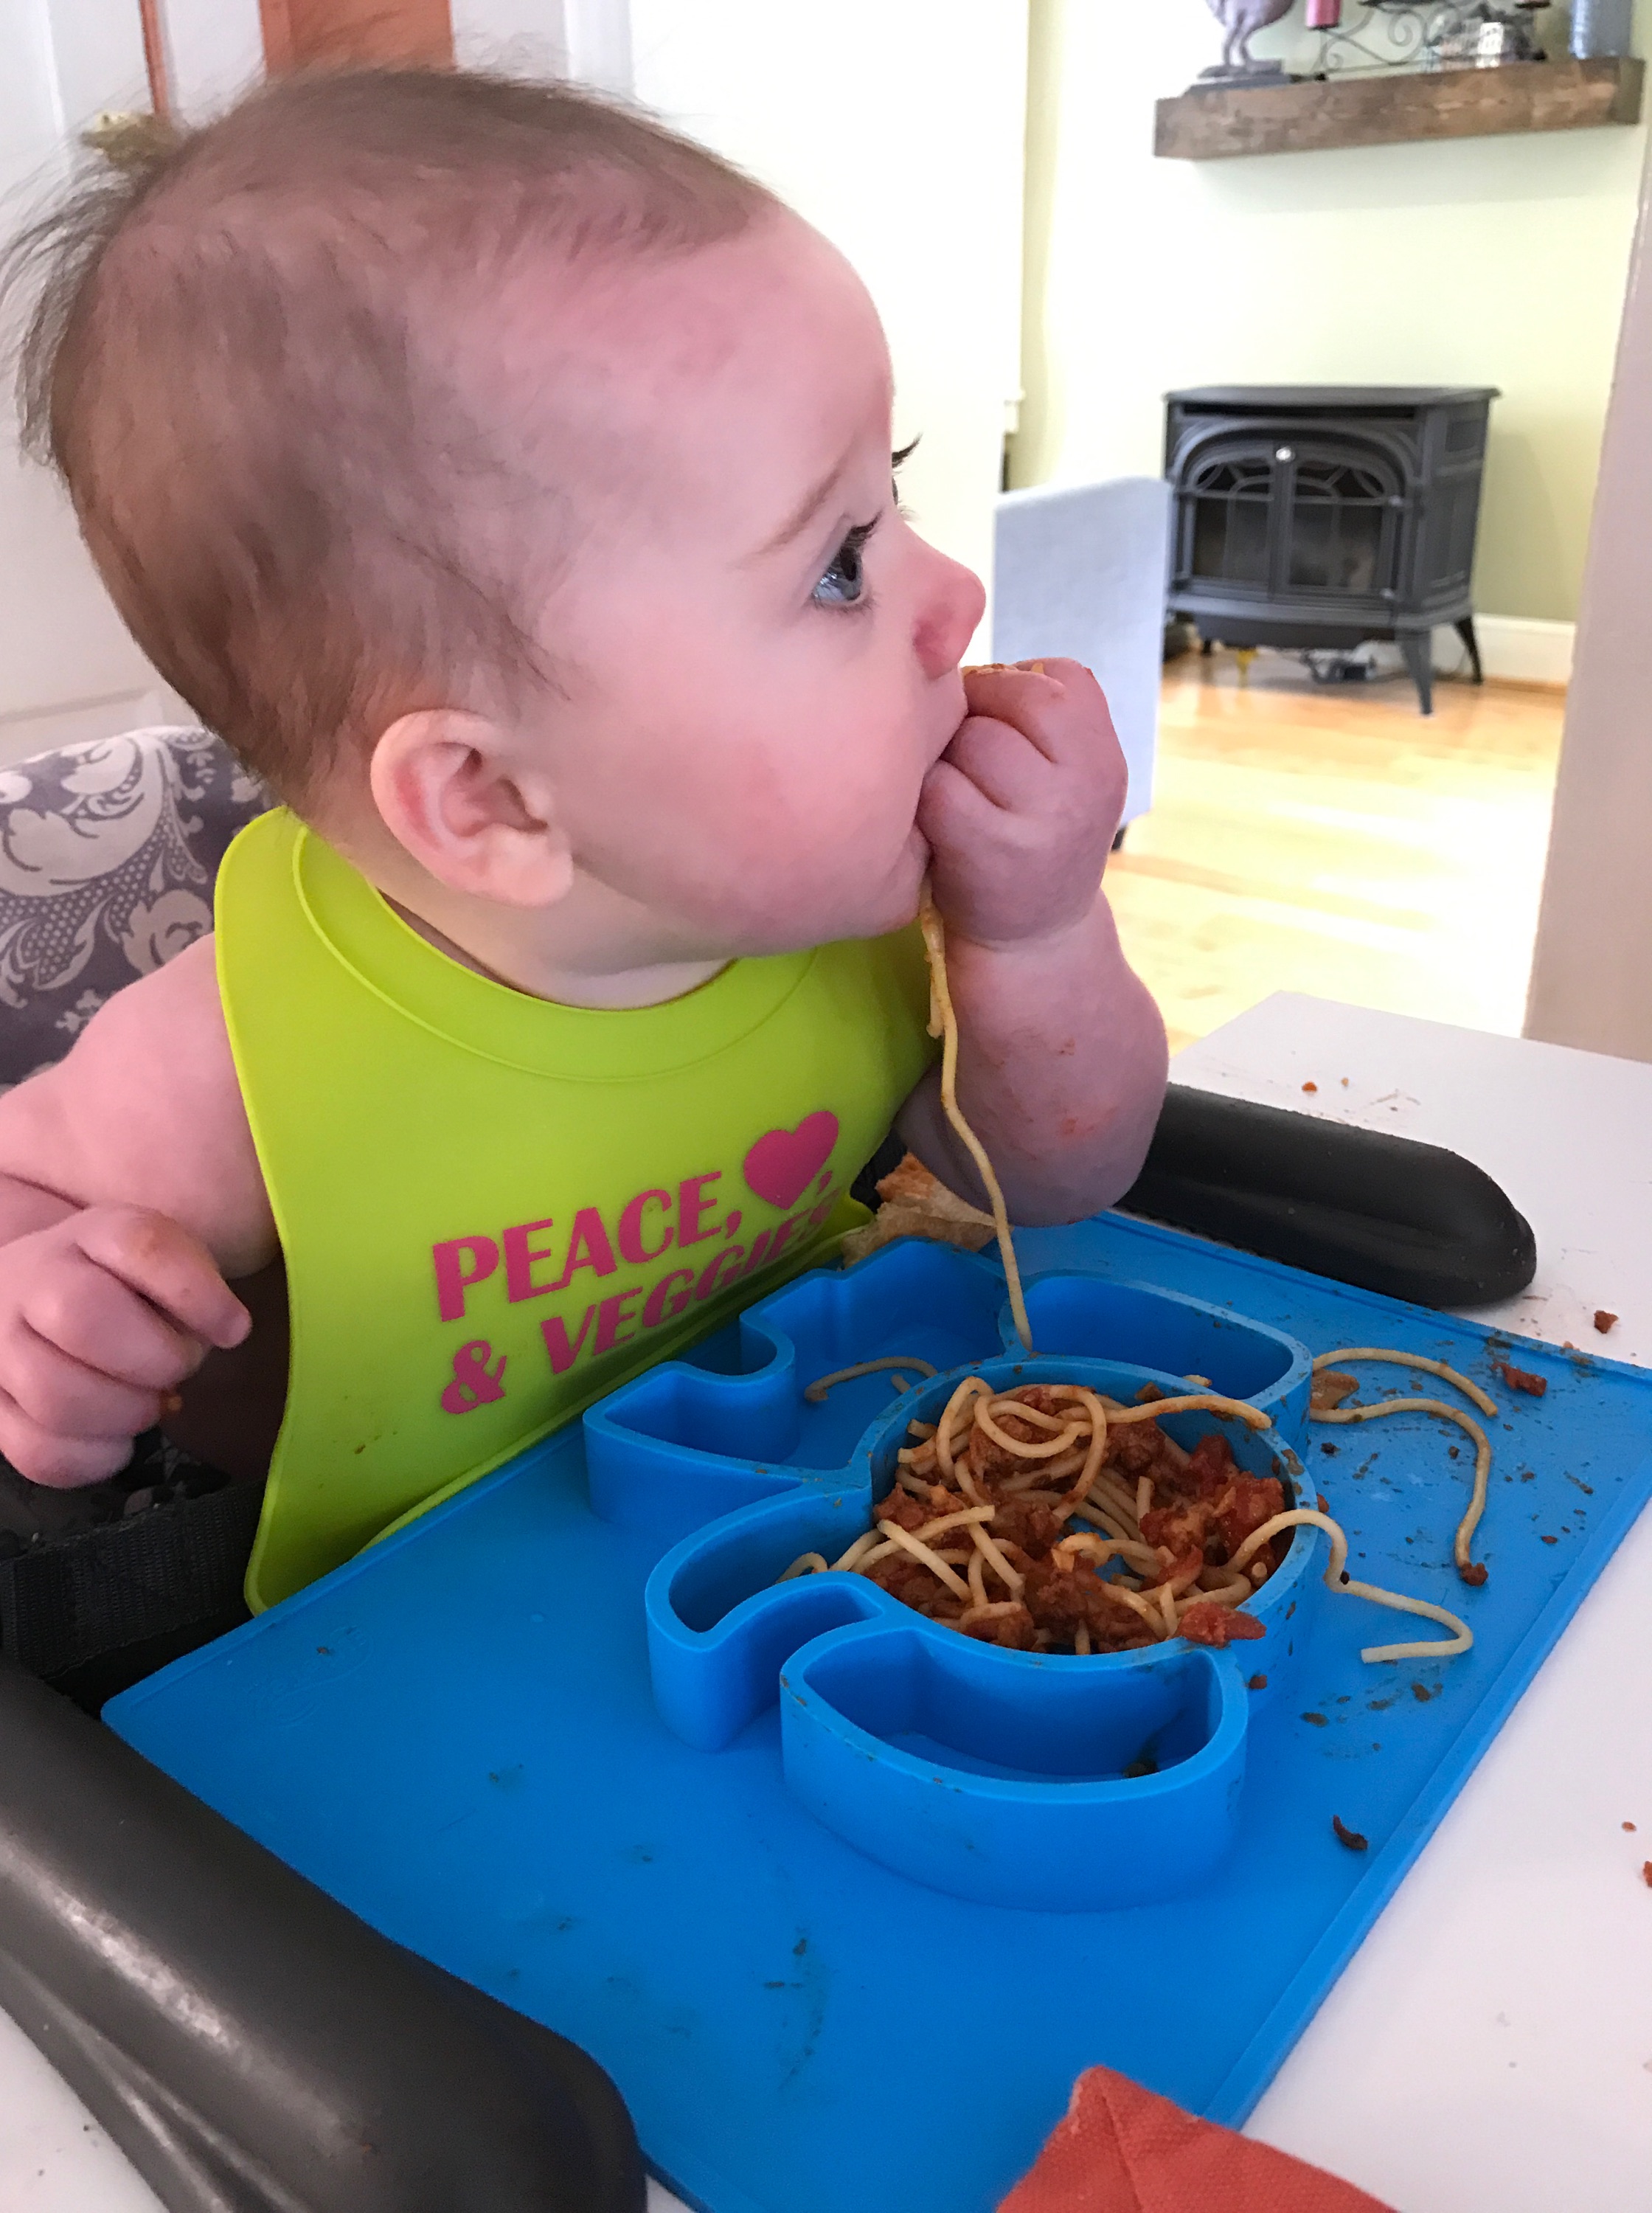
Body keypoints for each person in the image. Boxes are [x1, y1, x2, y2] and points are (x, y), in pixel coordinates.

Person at [0, 68, 1167, 1610]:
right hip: (424, 1644)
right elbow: (27, 1195)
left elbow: (1052, 1181)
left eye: (885, 498)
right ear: (492, 801)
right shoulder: (240, 1059)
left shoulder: (871, 904)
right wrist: (43, 1315)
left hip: (833, 1522)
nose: (952, 596)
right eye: (838, 567)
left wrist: (1043, 930)